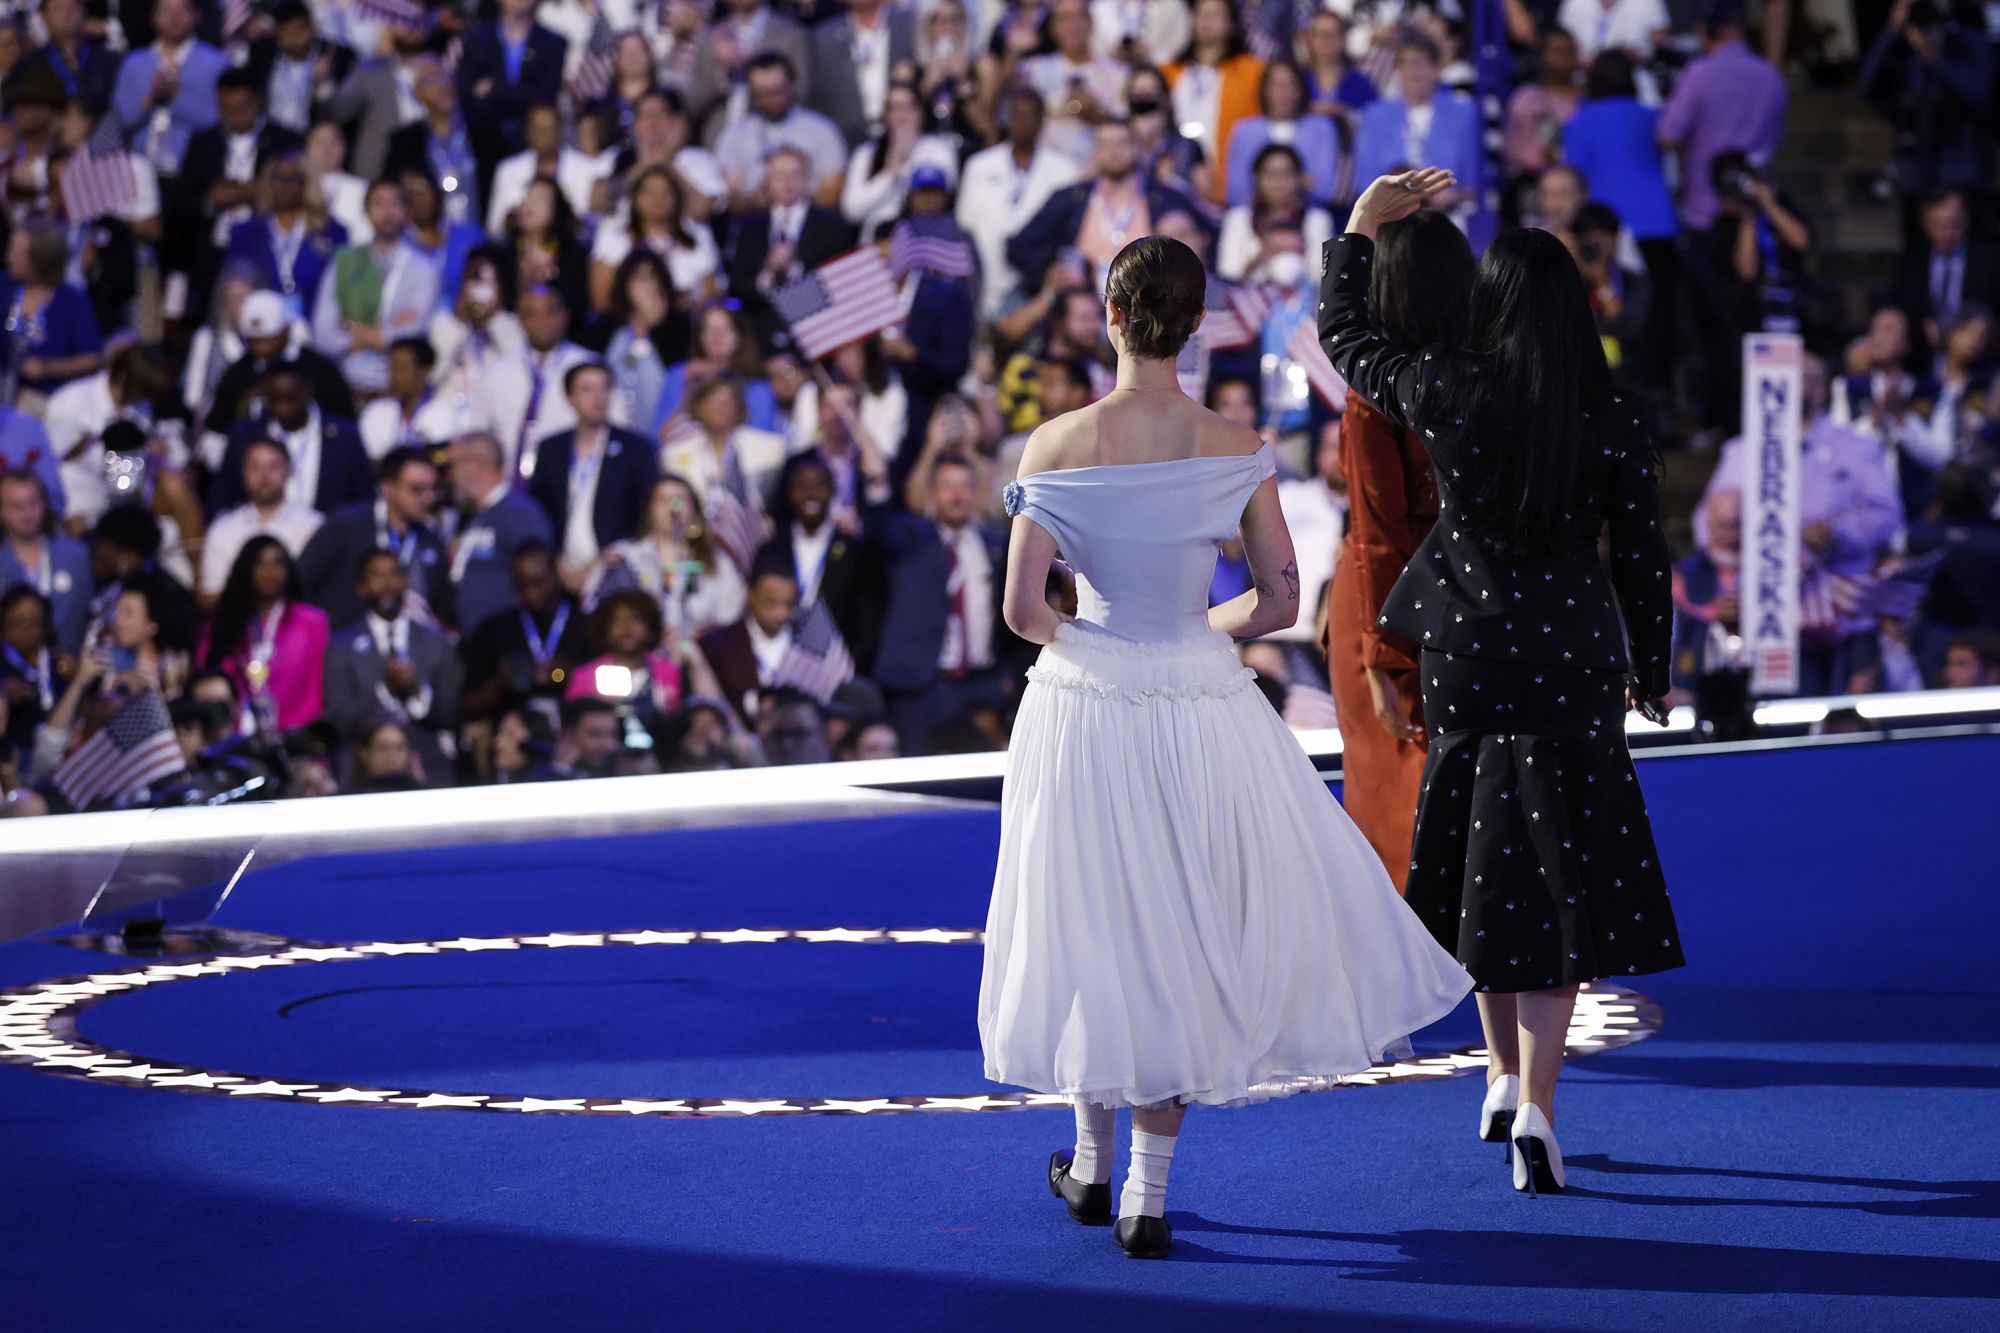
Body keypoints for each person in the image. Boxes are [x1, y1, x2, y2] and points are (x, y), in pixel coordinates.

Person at [985, 233, 1470, 1258]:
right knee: (1182, 929)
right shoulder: (1234, 445)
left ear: (1112, 318)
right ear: (1195, 324)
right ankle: (1140, 1195)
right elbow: (1282, 598)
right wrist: (1189, 632)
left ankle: (1090, 1163)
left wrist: (1099, 638)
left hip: (1083, 698)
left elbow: (1025, 615)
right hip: (1200, 701)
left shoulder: (1052, 448)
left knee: (1095, 918)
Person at [1321, 168, 1684, 1193]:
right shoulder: (1608, 414)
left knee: (1481, 859)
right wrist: (1650, 667)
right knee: (1560, 877)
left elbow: (1347, 340)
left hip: (1465, 654)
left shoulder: (1447, 387)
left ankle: (1490, 1074)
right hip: (1571, 655)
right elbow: (1644, 555)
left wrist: (1353, 231)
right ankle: (1535, 1103)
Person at [1324, 210, 1475, 889]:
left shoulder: (1375, 389)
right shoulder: (1487, 371)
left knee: (1399, 787)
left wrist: (1383, 657)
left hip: (1393, 592)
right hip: (1465, 589)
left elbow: (1381, 532)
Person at [323, 547, 462, 781]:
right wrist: (385, 690)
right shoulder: (341, 646)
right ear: (362, 586)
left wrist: (417, 692)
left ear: (405, 581)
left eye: (394, 574)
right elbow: (341, 719)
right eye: (377, 575)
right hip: (362, 772)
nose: (387, 583)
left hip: (429, 769)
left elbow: (451, 711)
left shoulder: (437, 641)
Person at [529, 362, 661, 593]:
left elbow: (646, 513)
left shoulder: (636, 449)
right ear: (570, 398)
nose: (598, 397)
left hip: (615, 570)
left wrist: (609, 558)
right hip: (560, 571)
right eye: (587, 389)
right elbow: (538, 511)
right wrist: (555, 560)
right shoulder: (551, 449)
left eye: (604, 388)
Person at [1657, 0, 1788, 233]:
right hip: (1756, 204)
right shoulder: (1772, 77)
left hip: (1706, 211)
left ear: (1717, 28)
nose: (1697, 36)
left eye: (1700, 28)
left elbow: (1667, 136)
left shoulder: (1699, 73)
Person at [955, 89, 1082, 320]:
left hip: (1040, 290)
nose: (1024, 123)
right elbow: (965, 227)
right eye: (1017, 115)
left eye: (1031, 115)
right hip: (987, 285)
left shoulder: (1066, 171)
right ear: (1007, 119)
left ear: (1042, 121)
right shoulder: (979, 166)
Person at [296, 447, 452, 632]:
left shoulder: (431, 538)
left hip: (410, 648)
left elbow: (442, 602)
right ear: (387, 487)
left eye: (433, 489)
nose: (429, 498)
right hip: (345, 647)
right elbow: (302, 580)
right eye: (417, 490)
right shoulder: (346, 525)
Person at [310, 179, 441, 395]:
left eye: (395, 204)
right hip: (348, 380)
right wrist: (384, 334)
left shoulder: (423, 268)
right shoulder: (345, 262)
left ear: (407, 211)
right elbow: (323, 333)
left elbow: (415, 331)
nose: (388, 212)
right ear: (366, 212)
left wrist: (354, 328)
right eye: (379, 204)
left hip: (401, 383)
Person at [584, 473, 748, 644]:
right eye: (662, 500)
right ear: (650, 509)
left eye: (680, 499)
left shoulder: (717, 563)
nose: (673, 507)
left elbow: (733, 618)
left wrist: (710, 634)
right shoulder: (626, 557)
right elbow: (593, 607)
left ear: (695, 511)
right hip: (641, 657)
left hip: (701, 656)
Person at [199, 533, 328, 730]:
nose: (270, 571)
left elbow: (322, 686)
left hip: (297, 737)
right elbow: (205, 672)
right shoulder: (223, 619)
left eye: (278, 563)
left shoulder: (312, 623)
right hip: (232, 737)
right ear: (247, 569)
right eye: (260, 564)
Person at [460, 541, 592, 724]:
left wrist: (568, 675)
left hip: (577, 734)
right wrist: (500, 683)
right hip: (513, 735)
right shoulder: (493, 631)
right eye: (522, 587)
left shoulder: (587, 626)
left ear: (556, 575)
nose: (531, 594)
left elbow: (610, 689)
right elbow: (465, 707)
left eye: (539, 583)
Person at [212, 367, 374, 516]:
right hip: (260, 536)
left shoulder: (344, 435)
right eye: (275, 401)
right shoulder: (244, 434)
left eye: (290, 400)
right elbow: (222, 495)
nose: (283, 408)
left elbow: (363, 496)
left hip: (329, 537)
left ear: (307, 392)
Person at [1349, 30, 1478, 212]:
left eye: (1423, 63)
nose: (1415, 71)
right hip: (1389, 215)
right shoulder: (1374, 116)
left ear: (1437, 68)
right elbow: (1364, 183)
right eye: (1407, 64)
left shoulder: (1464, 113)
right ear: (1396, 70)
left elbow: (1474, 183)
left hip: (1448, 215)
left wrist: (1453, 195)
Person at [448, 430, 554, 636]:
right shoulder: (476, 516)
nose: (451, 475)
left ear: (474, 464)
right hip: (477, 642)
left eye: (455, 465)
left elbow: (538, 576)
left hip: (508, 642)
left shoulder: (519, 513)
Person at [1162, 0, 1263, 205]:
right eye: (1200, 14)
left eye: (1215, 15)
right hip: (1173, 183)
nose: (1205, 21)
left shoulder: (1254, 72)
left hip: (1230, 190)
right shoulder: (1168, 71)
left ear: (1232, 24)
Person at [200, 436, 324, 601]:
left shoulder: (315, 526)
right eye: (255, 467)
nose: (264, 476)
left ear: (288, 470)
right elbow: (211, 596)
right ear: (243, 473)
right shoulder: (222, 530)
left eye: (273, 466)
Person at [1225, 59, 1343, 211]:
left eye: (1290, 84)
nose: (1283, 92)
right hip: (1253, 216)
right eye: (1276, 85)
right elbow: (1236, 192)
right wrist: (1299, 182)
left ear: (1300, 89)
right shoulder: (1244, 131)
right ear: (1264, 90)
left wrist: (1268, 184)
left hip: (1309, 215)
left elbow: (1325, 188)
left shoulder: (1321, 128)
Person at [0, 468, 93, 651]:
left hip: (69, 670)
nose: (27, 513)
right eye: (16, 506)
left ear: (44, 503)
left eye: (33, 503)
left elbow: (88, 617)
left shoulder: (76, 556)